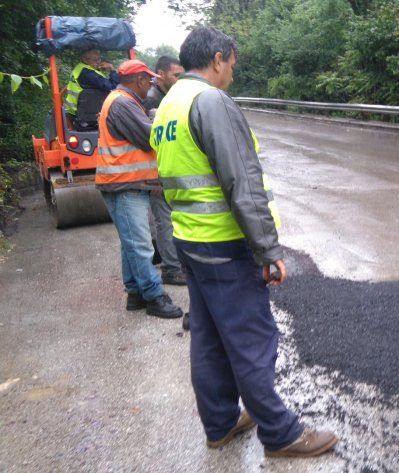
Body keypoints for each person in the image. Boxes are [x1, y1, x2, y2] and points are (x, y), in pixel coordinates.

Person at [151, 26, 338, 458]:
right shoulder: (211, 102)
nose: (232, 73)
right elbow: (243, 185)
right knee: (251, 339)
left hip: (190, 242)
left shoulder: (169, 104)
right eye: (232, 65)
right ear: (217, 59)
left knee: (209, 338)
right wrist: (268, 251)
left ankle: (219, 423)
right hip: (224, 246)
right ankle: (282, 434)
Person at [95, 59, 184, 319]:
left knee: (130, 243)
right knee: (141, 244)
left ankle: (135, 293)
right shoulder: (123, 103)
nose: (152, 85)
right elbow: (150, 137)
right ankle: (155, 296)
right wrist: (160, 120)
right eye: (150, 80)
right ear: (140, 80)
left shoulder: (123, 101)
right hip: (125, 185)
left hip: (126, 183)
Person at [143, 56, 187, 287]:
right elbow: (156, 141)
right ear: (160, 74)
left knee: (169, 220)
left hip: (166, 173)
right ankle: (171, 269)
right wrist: (156, 176)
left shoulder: (167, 96)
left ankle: (172, 261)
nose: (180, 80)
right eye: (176, 75)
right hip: (158, 174)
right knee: (165, 221)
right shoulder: (153, 101)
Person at [65, 48, 118, 117]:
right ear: (85, 59)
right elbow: (113, 88)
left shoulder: (80, 68)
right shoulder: (88, 74)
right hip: (87, 115)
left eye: (99, 59)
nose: (98, 62)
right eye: (95, 60)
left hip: (75, 111)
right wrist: (112, 69)